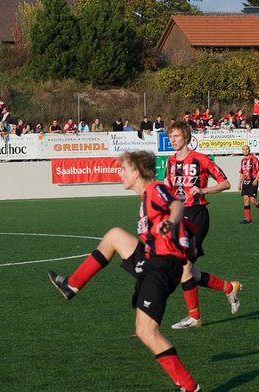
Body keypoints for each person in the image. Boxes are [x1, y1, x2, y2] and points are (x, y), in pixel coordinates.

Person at [48, 150, 201, 392]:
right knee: (114, 236)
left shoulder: (154, 190)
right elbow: (190, 230)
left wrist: (172, 223)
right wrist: (188, 246)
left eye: (124, 169)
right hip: (152, 261)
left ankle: (189, 387)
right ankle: (72, 285)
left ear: (137, 171)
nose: (120, 173)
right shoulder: (145, 199)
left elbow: (176, 204)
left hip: (161, 266)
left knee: (146, 331)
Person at [165, 121, 241, 329]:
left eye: (177, 136)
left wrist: (203, 190)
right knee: (190, 272)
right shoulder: (170, 163)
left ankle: (195, 317)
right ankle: (229, 288)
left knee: (185, 268)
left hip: (197, 215)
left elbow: (226, 183)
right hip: (179, 216)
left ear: (187, 138)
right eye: (170, 136)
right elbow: (169, 190)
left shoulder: (201, 159)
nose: (173, 140)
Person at [238, 145, 259, 224]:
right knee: (245, 199)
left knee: (253, 200)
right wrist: (239, 183)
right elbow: (241, 173)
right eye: (243, 149)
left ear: (249, 150)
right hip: (245, 182)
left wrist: (256, 179)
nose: (245, 151)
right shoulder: (242, 160)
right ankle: (248, 219)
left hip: (252, 181)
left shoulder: (254, 159)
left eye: (246, 149)